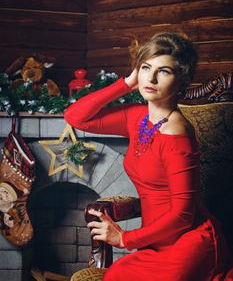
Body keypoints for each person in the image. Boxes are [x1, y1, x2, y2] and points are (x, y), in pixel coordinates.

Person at [64, 32, 231, 281]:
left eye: (164, 71)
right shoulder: (137, 117)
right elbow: (75, 116)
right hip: (155, 242)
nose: (150, 78)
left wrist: (125, 238)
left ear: (182, 81)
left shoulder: (177, 134)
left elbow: (183, 215)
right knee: (116, 276)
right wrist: (126, 83)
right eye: (146, 67)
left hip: (186, 243)